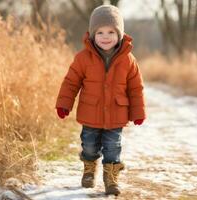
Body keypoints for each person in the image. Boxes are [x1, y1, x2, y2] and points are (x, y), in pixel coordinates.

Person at [55, 5, 146, 195]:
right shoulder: (82, 58)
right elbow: (71, 83)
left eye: (111, 32)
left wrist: (138, 113)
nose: (105, 36)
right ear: (92, 35)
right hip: (90, 114)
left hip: (116, 115)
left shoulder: (128, 60)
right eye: (100, 32)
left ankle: (111, 178)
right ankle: (89, 169)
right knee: (89, 145)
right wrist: (64, 104)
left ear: (120, 34)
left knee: (113, 148)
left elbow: (136, 89)